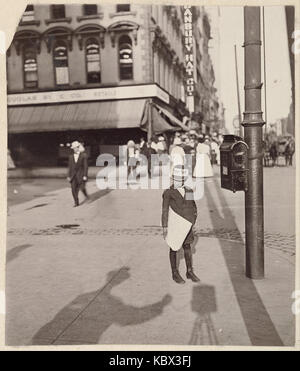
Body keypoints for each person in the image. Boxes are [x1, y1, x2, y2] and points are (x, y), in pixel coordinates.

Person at [162, 165, 200, 284]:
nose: (179, 182)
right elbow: (164, 210)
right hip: (175, 224)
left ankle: (189, 271)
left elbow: (193, 205)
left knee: (187, 246)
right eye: (177, 179)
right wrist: (165, 227)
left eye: (182, 179)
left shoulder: (188, 190)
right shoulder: (168, 192)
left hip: (187, 224)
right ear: (173, 179)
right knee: (174, 247)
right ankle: (175, 273)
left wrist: (193, 219)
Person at [67, 141, 89, 207]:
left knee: (82, 188)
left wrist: (85, 175)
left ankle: (86, 195)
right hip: (73, 176)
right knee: (73, 189)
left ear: (78, 147)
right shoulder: (71, 157)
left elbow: (85, 166)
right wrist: (68, 176)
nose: (74, 149)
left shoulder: (83, 156)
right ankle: (76, 202)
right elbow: (70, 167)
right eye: (73, 148)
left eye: (75, 148)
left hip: (81, 175)